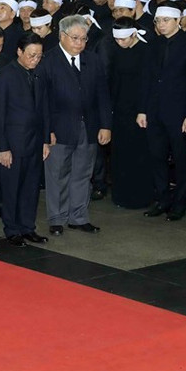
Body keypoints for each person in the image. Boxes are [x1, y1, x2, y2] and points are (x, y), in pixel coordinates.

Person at [40, 15, 112, 235]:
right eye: (75, 38)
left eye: (84, 39)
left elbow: (103, 94)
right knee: (57, 174)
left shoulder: (93, 60)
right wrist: (47, 131)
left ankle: (78, 217)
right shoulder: (48, 60)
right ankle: (57, 218)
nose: (80, 43)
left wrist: (105, 125)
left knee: (83, 173)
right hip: (59, 128)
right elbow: (43, 101)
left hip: (88, 127)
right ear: (62, 36)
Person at [138, 3, 186, 221]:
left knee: (181, 160)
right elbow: (147, 79)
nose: (161, 25)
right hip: (154, 111)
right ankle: (162, 199)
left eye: (166, 20)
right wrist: (142, 110)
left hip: (179, 113)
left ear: (178, 21)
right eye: (158, 21)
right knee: (156, 157)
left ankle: (180, 203)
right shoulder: (153, 44)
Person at [0, 33, 51, 246]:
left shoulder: (39, 73)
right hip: (13, 144)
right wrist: (3, 147)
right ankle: (12, 229)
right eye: (31, 55)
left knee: (31, 188)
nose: (35, 59)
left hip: (35, 142)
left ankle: (28, 227)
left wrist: (45, 140)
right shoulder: (5, 76)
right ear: (19, 52)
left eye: (39, 55)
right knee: (12, 188)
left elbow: (44, 108)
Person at [109, 19, 154, 209]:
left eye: (123, 39)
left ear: (134, 34)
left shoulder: (146, 52)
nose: (120, 43)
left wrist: (142, 110)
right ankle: (121, 194)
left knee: (138, 153)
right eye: (117, 40)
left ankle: (139, 196)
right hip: (120, 108)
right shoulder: (118, 51)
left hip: (138, 110)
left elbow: (147, 84)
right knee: (121, 153)